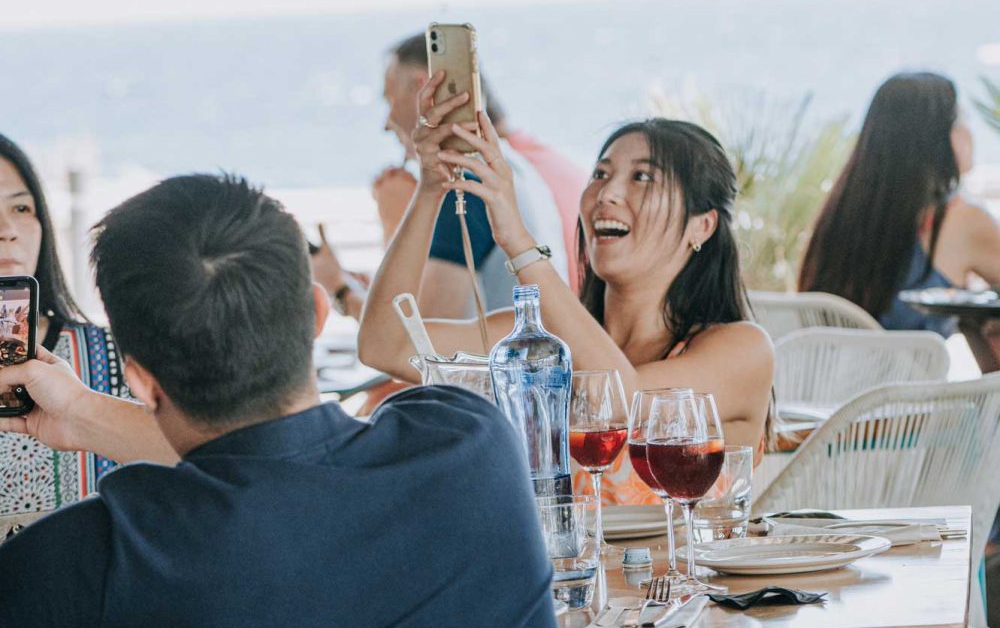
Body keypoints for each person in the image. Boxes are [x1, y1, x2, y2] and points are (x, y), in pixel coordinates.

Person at [0, 174, 555, 628]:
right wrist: (77, 412)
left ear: (141, 381)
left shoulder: (75, 563)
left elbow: (251, 479)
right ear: (317, 315)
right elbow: (275, 475)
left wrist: (83, 412)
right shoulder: (470, 445)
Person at [357, 72, 774, 505]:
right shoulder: (536, 345)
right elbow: (384, 345)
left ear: (701, 225)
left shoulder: (742, 350)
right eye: (600, 173)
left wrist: (517, 241)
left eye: (643, 178)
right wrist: (431, 188)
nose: (607, 192)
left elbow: (622, 407)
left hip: (684, 574)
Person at [320, 33, 579, 321]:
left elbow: (418, 350)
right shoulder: (514, 168)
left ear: (424, 89)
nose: (386, 123)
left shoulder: (464, 184)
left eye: (390, 98)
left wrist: (339, 288)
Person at [799, 72, 991, 337]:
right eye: (961, 119)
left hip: (828, 375)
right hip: (913, 378)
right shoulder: (960, 221)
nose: (969, 132)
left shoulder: (840, 220)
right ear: (935, 139)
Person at [0, 133, 131, 515]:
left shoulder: (113, 357)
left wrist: (83, 412)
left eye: (22, 209)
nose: (8, 229)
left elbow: (202, 464)